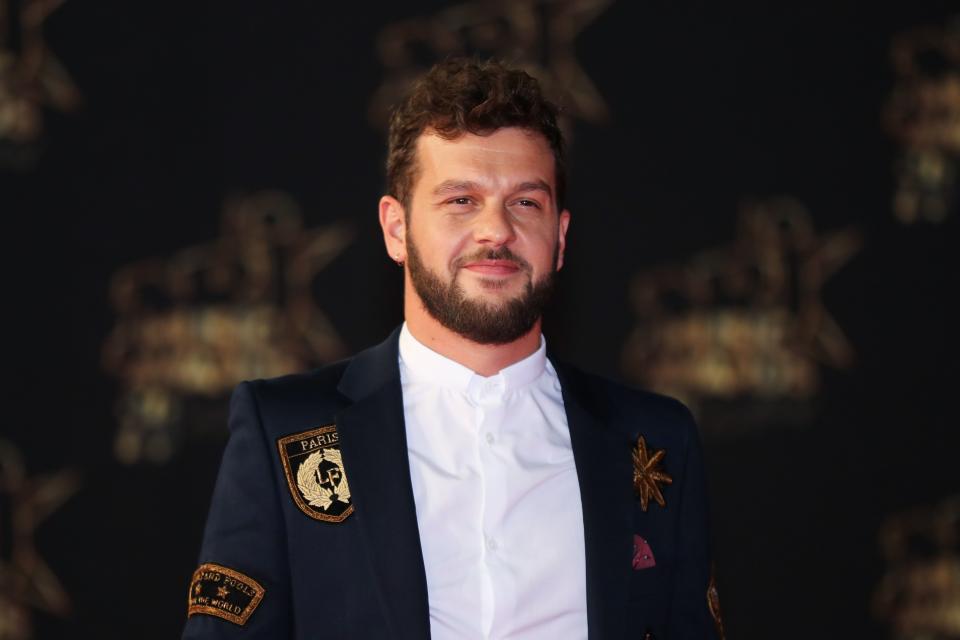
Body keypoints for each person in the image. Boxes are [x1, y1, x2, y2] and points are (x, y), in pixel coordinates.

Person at [183, 57, 723, 640]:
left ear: (560, 237)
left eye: (525, 202)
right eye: (461, 200)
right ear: (396, 229)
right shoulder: (283, 431)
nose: (495, 231)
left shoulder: (656, 440)